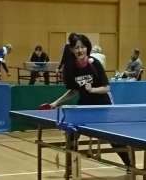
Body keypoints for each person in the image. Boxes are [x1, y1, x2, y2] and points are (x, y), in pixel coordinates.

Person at [48, 34, 130, 166]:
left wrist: (92, 90)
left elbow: (106, 88)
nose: (80, 50)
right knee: (71, 133)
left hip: (102, 105)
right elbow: (74, 90)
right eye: (76, 48)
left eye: (82, 47)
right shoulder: (71, 68)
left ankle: (130, 165)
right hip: (85, 104)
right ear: (72, 50)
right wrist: (56, 102)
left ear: (87, 48)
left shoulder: (94, 64)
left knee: (112, 138)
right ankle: (71, 168)